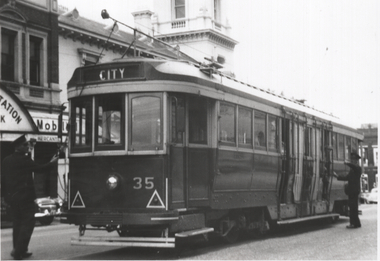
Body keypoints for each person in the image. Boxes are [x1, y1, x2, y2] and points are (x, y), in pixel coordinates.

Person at [2, 134, 58, 260]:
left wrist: (5, 198)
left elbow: (3, 180)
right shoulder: (24, 160)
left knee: (17, 223)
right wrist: (52, 163)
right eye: (25, 145)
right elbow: (40, 169)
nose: (28, 147)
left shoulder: (6, 160)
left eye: (27, 144)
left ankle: (20, 250)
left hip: (13, 198)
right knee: (28, 223)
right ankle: (18, 251)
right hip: (25, 198)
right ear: (18, 147)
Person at [333, 151, 362, 229]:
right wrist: (337, 176)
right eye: (352, 159)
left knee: (353, 208)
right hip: (351, 191)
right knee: (353, 208)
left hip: (354, 191)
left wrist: (347, 163)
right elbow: (347, 177)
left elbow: (354, 167)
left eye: (353, 159)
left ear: (356, 161)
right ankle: (357, 223)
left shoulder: (358, 168)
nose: (352, 160)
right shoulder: (352, 170)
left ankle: (353, 224)